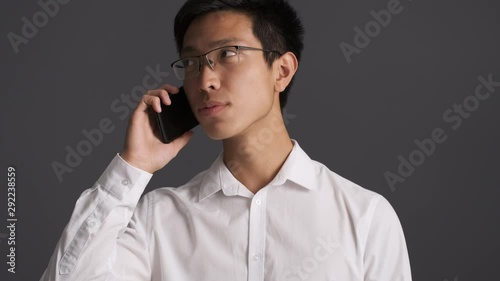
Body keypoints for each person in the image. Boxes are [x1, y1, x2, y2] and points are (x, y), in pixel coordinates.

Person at [40, 0, 412, 280]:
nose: (205, 80)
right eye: (192, 62)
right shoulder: (160, 219)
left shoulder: (363, 217)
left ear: (281, 70)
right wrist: (132, 167)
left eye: (228, 54)